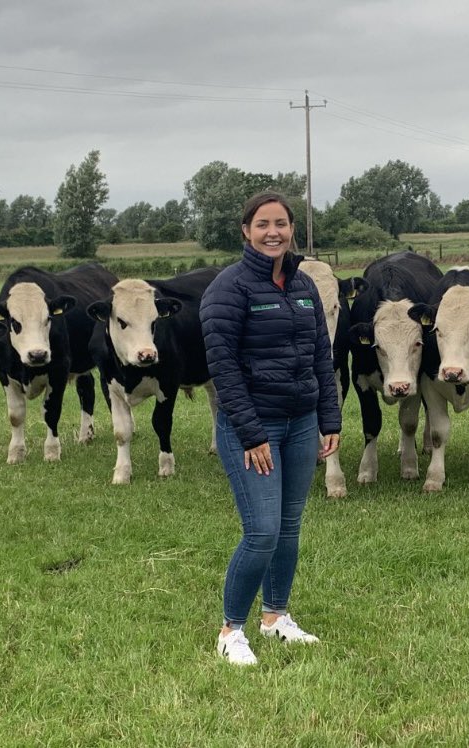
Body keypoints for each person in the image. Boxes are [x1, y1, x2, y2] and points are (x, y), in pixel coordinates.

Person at [200, 191, 341, 666]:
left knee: (288, 527)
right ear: (246, 230)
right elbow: (223, 369)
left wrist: (329, 417)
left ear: (291, 230)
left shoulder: (303, 286)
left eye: (280, 223)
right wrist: (252, 433)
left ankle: (276, 616)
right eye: (263, 224)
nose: (273, 232)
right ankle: (231, 630)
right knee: (260, 531)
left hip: (301, 422)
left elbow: (323, 355)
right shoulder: (229, 288)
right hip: (252, 428)